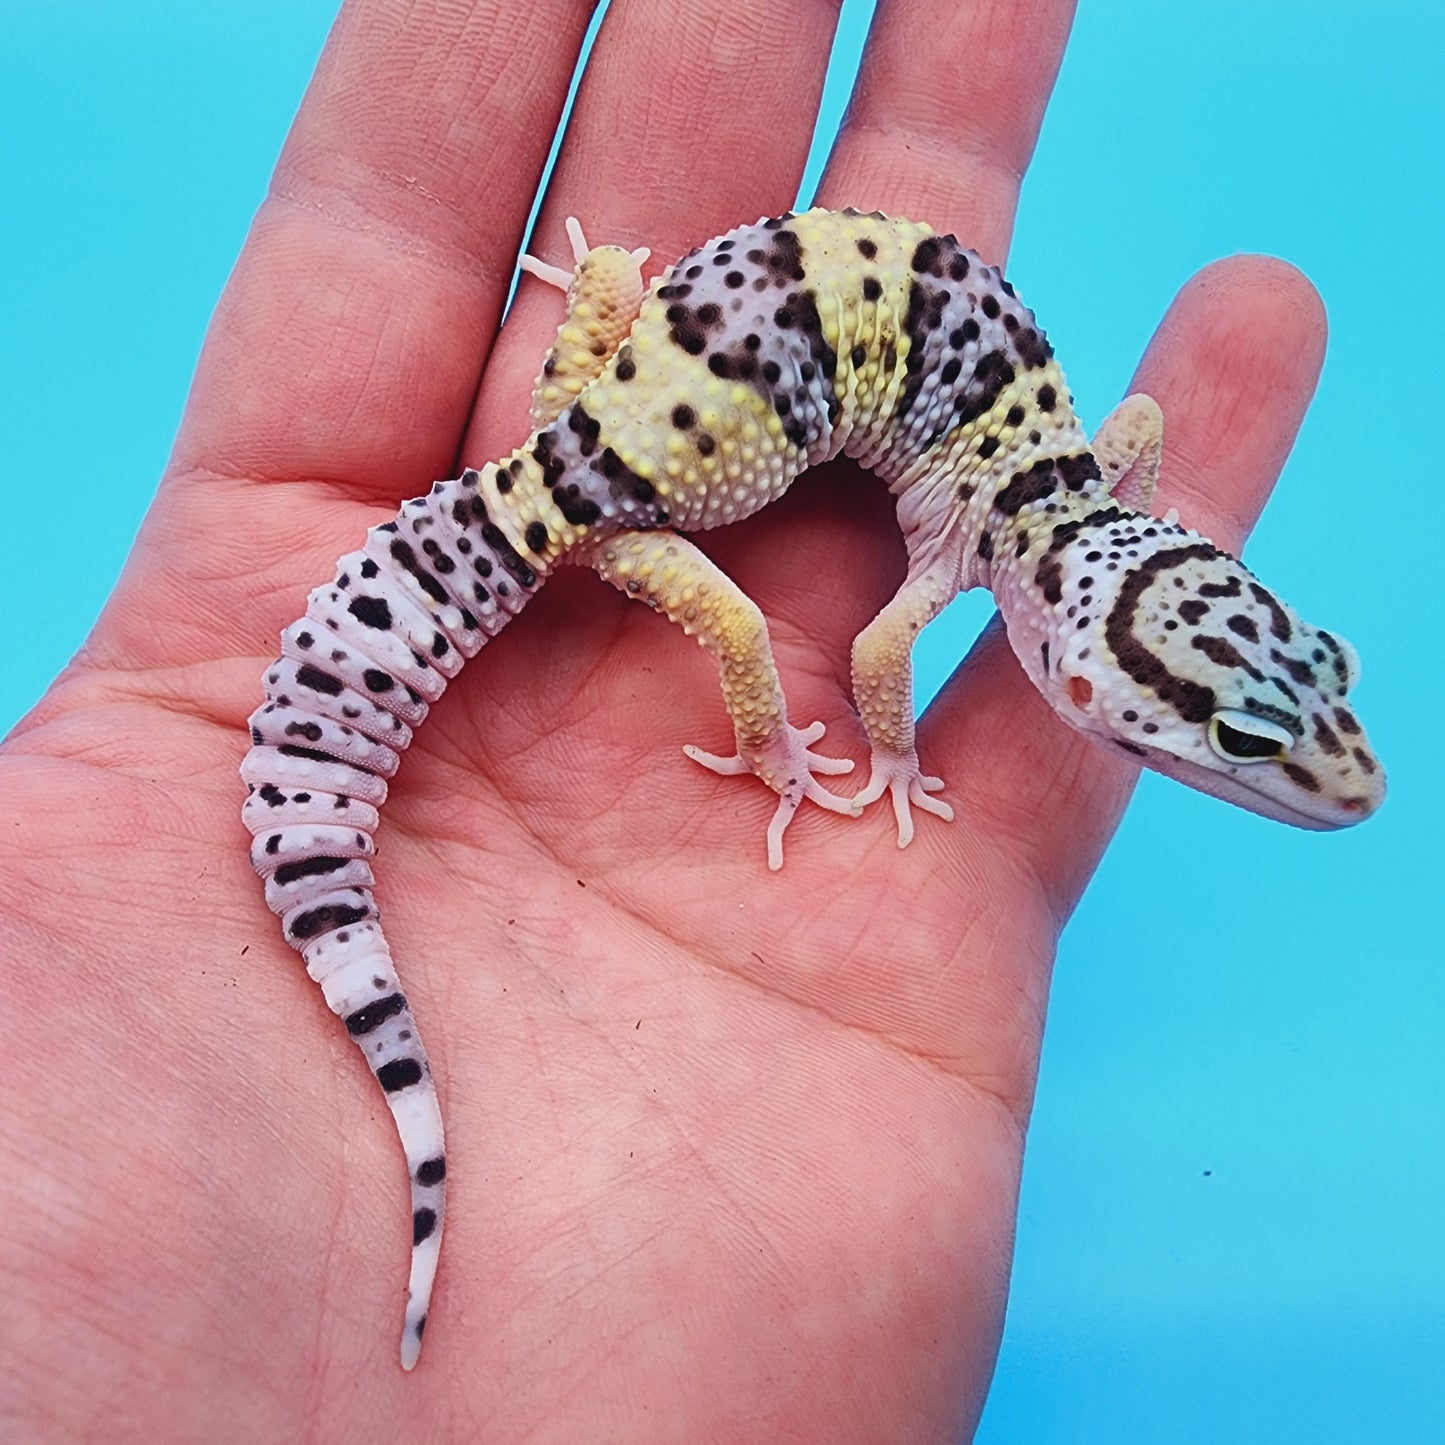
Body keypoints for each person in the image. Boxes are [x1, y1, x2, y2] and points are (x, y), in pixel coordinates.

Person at [0, 0, 1327, 1438]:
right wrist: (853, 749)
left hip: (615, 380)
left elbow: (1125, 432)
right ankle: (723, 750)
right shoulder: (1018, 520)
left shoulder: (1063, 482)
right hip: (617, 499)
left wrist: (602, 306)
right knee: (746, 628)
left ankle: (603, 318)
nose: (1269, 763)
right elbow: (884, 644)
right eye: (1233, 737)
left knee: (680, 485)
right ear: (1084, 673)